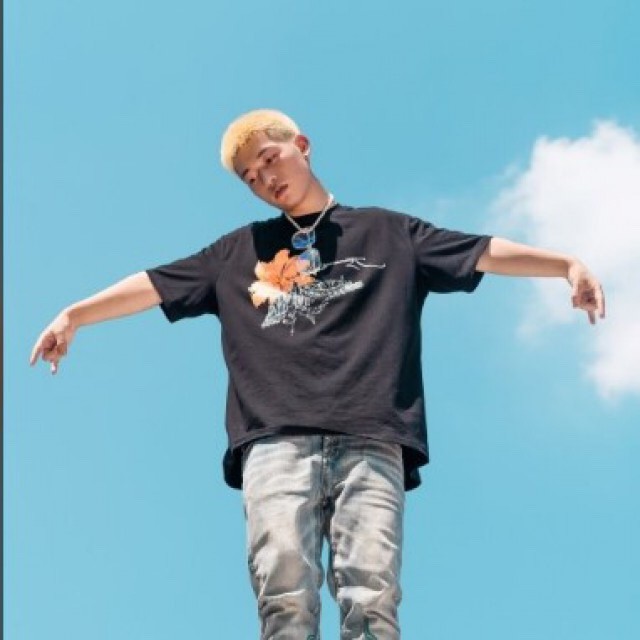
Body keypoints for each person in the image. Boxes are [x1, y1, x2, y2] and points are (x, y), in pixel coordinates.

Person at [30, 109, 605, 640]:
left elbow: (480, 251)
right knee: (283, 599)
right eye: (251, 178)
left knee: (372, 598)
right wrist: (76, 314)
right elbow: (155, 284)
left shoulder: (390, 233)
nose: (265, 179)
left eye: (270, 159)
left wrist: (565, 264)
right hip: (274, 442)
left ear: (301, 146)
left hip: (372, 436)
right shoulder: (238, 251)